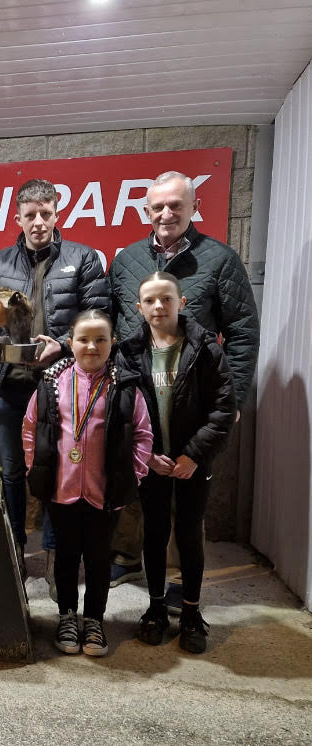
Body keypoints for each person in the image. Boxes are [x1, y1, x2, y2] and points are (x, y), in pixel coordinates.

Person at [107, 171, 260, 596]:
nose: (166, 213)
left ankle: (179, 580)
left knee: (187, 496)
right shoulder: (126, 260)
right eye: (157, 206)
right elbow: (110, 322)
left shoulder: (220, 259)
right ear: (146, 210)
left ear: (195, 207)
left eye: (176, 205)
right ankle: (128, 558)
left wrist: (234, 397)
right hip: (140, 399)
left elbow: (243, 331)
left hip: (192, 402)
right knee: (139, 480)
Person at [0, 179, 109, 588]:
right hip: (11, 384)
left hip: (62, 386)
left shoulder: (83, 258)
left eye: (45, 213)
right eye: (30, 215)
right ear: (18, 219)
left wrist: (62, 345)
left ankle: (58, 558)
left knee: (59, 472)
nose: (38, 222)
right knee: (11, 473)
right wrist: (2, 344)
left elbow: (98, 317)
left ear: (57, 214)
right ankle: (15, 551)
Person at [22, 309, 153, 656]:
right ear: (70, 343)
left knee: (98, 560)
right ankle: (67, 615)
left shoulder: (125, 386)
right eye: (83, 339)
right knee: (65, 558)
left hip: (104, 493)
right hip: (61, 490)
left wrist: (134, 475)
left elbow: (142, 434)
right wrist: (35, 468)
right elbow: (31, 427)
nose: (91, 346)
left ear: (113, 343)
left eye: (100, 339)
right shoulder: (51, 383)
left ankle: (94, 619)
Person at [121, 272, 236, 653]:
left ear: (181, 303)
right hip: (152, 463)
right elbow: (121, 411)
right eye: (150, 300)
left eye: (166, 298)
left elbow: (223, 409)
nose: (159, 306)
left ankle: (190, 612)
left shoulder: (206, 349)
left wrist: (194, 455)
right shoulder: (128, 352)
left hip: (192, 464)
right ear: (139, 307)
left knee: (188, 534)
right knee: (154, 533)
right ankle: (155, 608)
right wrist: (145, 455)